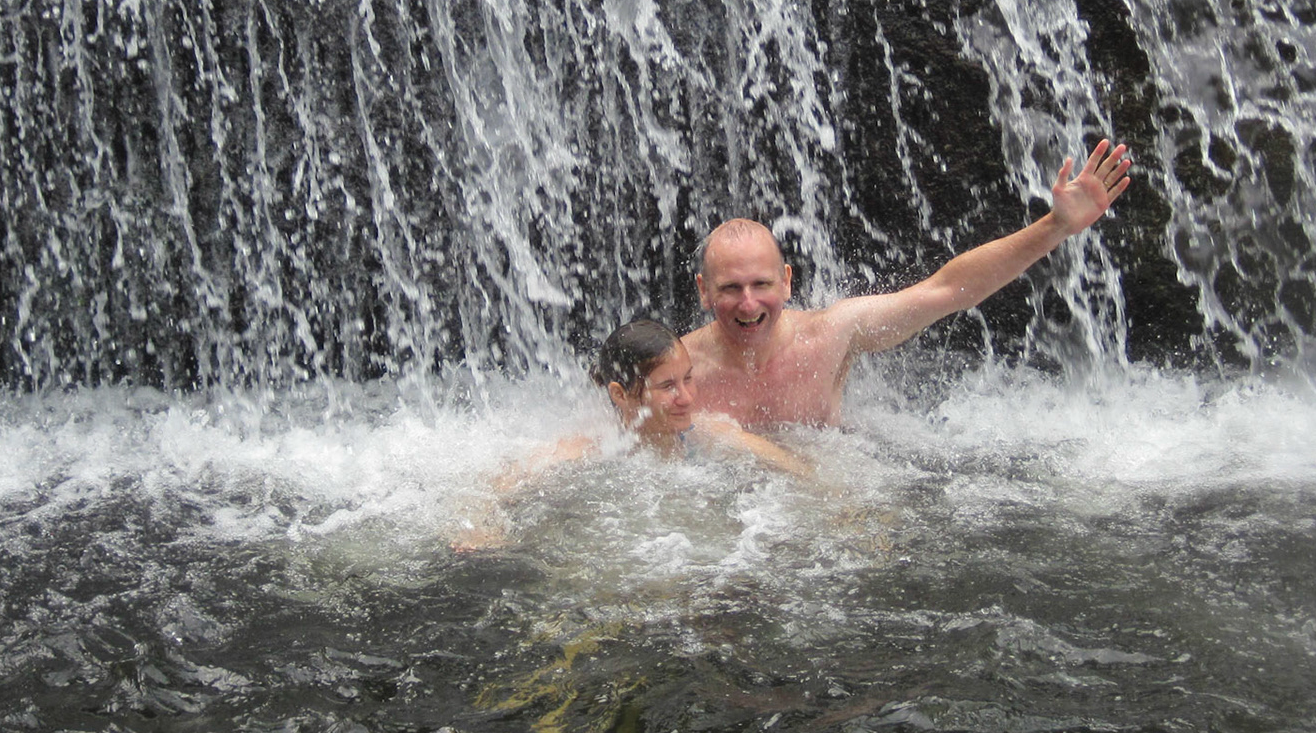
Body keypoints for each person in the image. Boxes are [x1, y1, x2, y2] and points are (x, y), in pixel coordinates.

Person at [682, 138, 1132, 431]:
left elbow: (945, 289)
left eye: (761, 284)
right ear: (703, 290)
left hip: (831, 524)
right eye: (729, 289)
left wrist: (1055, 226)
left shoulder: (832, 335)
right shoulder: (677, 372)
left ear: (786, 282)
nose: (748, 303)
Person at [452, 319, 808, 550]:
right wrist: (480, 528)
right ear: (619, 395)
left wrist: (838, 503)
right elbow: (489, 488)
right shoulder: (587, 451)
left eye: (688, 378)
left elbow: (795, 469)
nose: (686, 397)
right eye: (667, 385)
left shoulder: (707, 433)